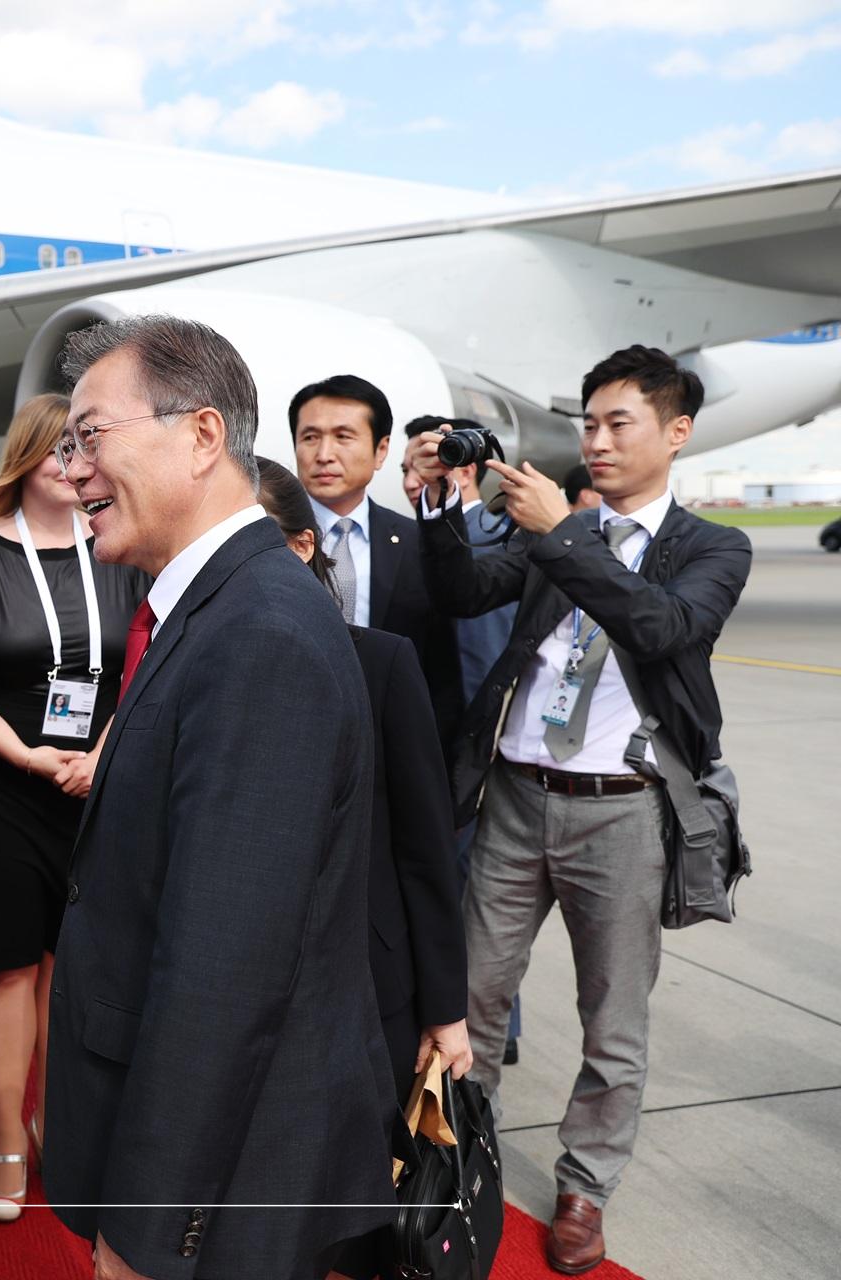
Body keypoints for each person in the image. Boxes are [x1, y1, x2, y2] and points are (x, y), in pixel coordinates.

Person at [47, 316, 393, 1280]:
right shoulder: (211, 604)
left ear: (202, 436)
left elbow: (223, 972)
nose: (69, 468)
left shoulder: (259, 636)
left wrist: (153, 1227)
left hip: (224, 1174)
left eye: (88, 436)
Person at [409, 344, 753, 1275]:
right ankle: (444, 1162)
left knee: (614, 1020)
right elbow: (458, 593)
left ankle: (584, 1189)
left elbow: (660, 629)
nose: (595, 440)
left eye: (617, 424)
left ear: (676, 433)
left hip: (625, 811)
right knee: (466, 998)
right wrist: (443, 503)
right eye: (587, 424)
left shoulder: (712, 547)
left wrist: (569, 535)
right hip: (516, 796)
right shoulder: (554, 529)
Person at [0, 392, 149, 1224]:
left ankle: (61, 1119)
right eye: (63, 447)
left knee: (73, 962)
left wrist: (104, 754)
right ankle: (7, 1139)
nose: (76, 462)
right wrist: (22, 753)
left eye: (88, 446)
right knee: (11, 961)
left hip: (98, 779)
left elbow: (149, 659)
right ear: (27, 455)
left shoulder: (121, 547)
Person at [253, 458, 470, 1097]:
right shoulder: (181, 664)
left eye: (255, 545)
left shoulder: (380, 664)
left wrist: (444, 1006)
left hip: (365, 979)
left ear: (302, 545)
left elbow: (426, 848)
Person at [403, 414, 526, 1062]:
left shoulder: (495, 539)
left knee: (479, 900)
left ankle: (489, 1034)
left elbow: (482, 657)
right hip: (436, 746)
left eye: (428, 465)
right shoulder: (417, 533)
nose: (412, 480)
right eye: (405, 469)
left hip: (473, 749)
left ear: (468, 467)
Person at [292, 375, 463, 747]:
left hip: (388, 747)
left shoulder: (418, 543)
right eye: (310, 437)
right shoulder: (269, 540)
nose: (324, 454)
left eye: (343, 436)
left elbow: (441, 671)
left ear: (381, 450)